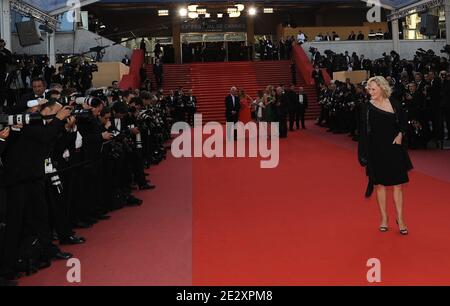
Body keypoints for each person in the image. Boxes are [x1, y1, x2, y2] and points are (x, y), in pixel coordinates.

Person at [358, 76, 413, 235]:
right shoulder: (367, 107)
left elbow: (403, 122)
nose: (370, 92)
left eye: (373, 89)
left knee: (398, 185)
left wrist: (401, 134)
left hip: (394, 148)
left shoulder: (394, 103)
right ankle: (384, 217)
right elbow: (363, 133)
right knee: (380, 185)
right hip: (375, 150)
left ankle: (400, 218)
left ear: (382, 88)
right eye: (369, 89)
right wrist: (364, 154)